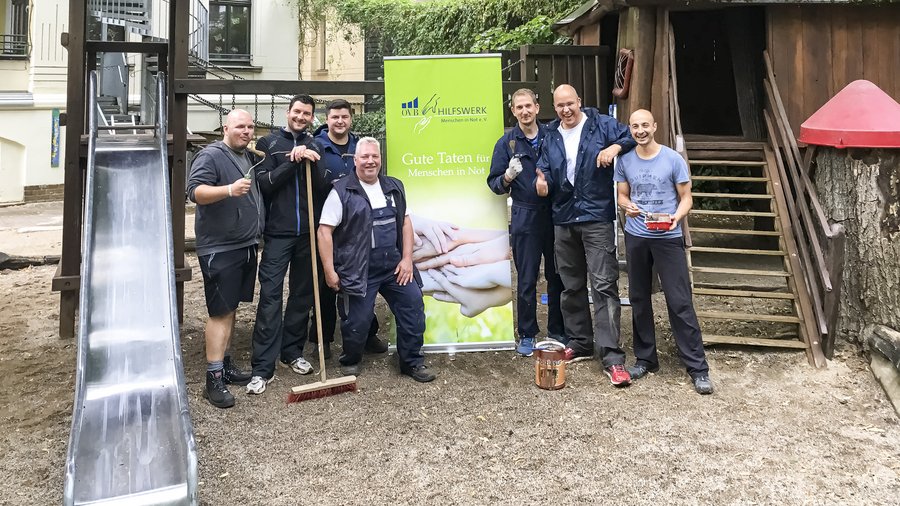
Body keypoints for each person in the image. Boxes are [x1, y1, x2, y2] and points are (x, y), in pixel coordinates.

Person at [535, 84, 636, 387]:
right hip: (563, 218)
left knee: (604, 285)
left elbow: (631, 134)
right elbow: (543, 167)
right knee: (571, 285)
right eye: (560, 105)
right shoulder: (551, 134)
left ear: (579, 101)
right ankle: (580, 342)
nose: (566, 110)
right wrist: (541, 180)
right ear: (554, 108)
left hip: (596, 217)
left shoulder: (601, 124)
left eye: (570, 103)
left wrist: (615, 147)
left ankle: (612, 357)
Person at [317, 137, 436, 382]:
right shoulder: (342, 191)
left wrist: (406, 260)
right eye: (365, 157)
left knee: (413, 309)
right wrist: (330, 271)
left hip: (394, 266)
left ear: (380, 159)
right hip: (359, 269)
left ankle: (412, 361)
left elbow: (405, 222)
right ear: (355, 160)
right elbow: (324, 231)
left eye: (375, 157)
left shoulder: (394, 187)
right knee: (356, 321)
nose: (370, 161)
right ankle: (351, 358)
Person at [614, 109, 714, 395]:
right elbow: (622, 193)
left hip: (668, 236)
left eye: (645, 125)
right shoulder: (625, 160)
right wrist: (626, 205)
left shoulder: (672, 159)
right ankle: (646, 359)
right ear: (630, 130)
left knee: (679, 300)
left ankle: (698, 367)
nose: (640, 130)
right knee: (638, 298)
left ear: (654, 126)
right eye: (635, 126)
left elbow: (686, 198)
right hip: (637, 236)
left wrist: (675, 219)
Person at [246, 95, 321, 395]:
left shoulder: (315, 144)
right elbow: (265, 184)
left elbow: (321, 184)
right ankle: (263, 367)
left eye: (307, 114)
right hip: (278, 234)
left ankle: (292, 352)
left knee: (302, 295)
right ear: (288, 113)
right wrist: (293, 160)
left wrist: (310, 159)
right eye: (297, 112)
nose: (301, 117)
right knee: (271, 296)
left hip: (308, 234)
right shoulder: (268, 144)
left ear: (311, 117)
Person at [186, 109, 261, 408]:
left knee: (230, 308)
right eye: (240, 126)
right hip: (220, 248)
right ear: (225, 128)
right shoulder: (211, 155)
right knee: (219, 311)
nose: (246, 131)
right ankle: (213, 380)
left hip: (244, 244)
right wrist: (229, 190)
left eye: (250, 126)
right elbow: (195, 192)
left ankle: (226, 365)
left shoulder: (246, 156)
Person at [487, 88, 565, 357]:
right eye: (519, 107)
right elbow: (494, 184)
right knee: (527, 277)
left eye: (528, 106)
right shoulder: (507, 143)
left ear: (537, 107)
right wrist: (507, 177)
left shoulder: (553, 137)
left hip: (554, 214)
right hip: (524, 215)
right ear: (513, 111)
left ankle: (557, 330)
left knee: (558, 276)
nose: (524, 111)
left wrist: (550, 185)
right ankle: (528, 333)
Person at [310, 99, 386, 360]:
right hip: (328, 222)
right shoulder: (316, 145)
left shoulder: (360, 146)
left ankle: (367, 334)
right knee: (327, 283)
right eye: (334, 117)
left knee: (362, 282)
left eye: (344, 117)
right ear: (327, 119)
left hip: (357, 227)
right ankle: (324, 338)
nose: (339, 121)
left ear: (350, 119)